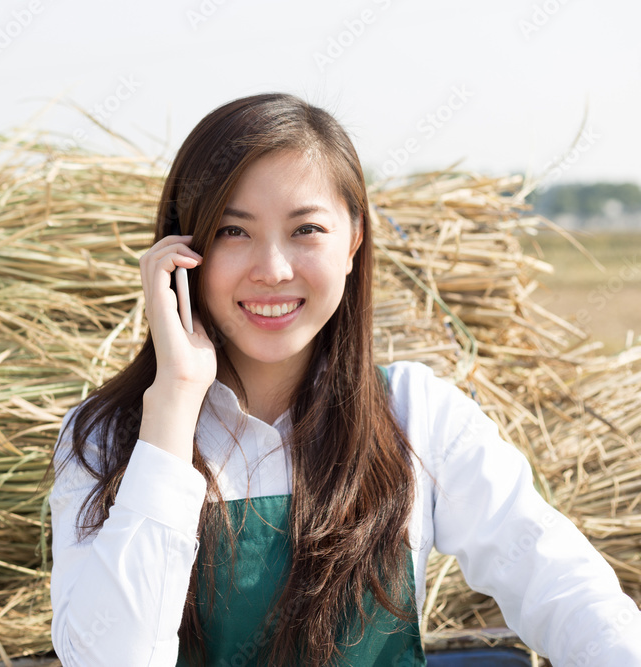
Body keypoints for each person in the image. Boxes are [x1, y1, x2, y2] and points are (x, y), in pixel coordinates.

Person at [45, 93, 641, 666]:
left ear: (354, 241)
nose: (273, 269)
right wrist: (174, 399)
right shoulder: (106, 438)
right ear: (181, 251)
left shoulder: (415, 415)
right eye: (233, 232)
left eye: (305, 230)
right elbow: (111, 658)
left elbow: (560, 585)